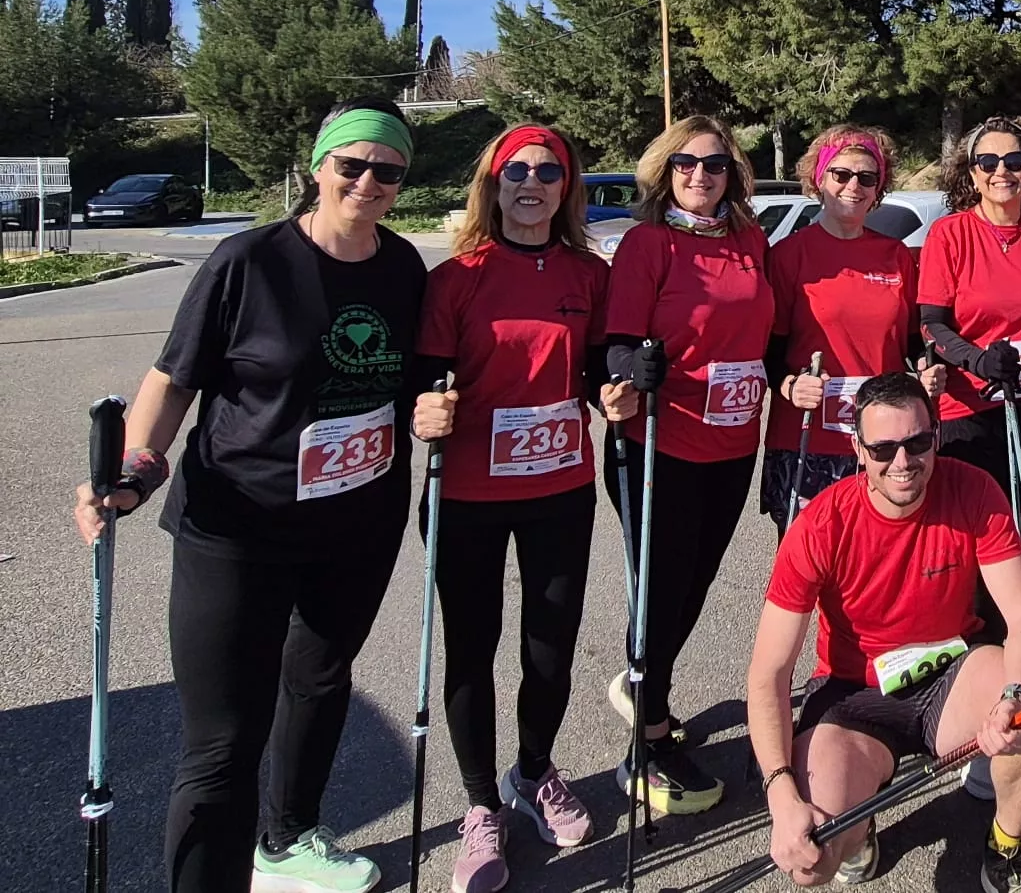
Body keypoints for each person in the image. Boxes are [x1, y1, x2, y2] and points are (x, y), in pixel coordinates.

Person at [72, 100, 427, 893]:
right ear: (319, 167)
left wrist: (430, 408)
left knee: (321, 683)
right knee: (224, 742)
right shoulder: (248, 261)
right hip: (238, 525)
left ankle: (288, 840)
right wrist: (136, 468)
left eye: (389, 171)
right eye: (353, 165)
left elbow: (404, 385)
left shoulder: (403, 268)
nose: (369, 182)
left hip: (357, 526)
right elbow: (172, 381)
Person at [412, 124, 629, 890]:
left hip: (558, 490)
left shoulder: (587, 273)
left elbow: (603, 362)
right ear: (493, 183)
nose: (531, 182)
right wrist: (423, 410)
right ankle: (479, 807)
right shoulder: (457, 277)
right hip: (467, 492)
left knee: (550, 647)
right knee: (473, 648)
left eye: (548, 171)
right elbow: (426, 376)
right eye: (516, 170)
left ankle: (533, 773)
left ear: (566, 187)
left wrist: (615, 386)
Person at [745, 373, 1021, 893]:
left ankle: (1005, 845)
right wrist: (780, 793)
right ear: (857, 448)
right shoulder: (820, 524)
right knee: (813, 864)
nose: (902, 462)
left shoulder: (974, 490)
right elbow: (768, 674)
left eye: (917, 442)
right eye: (883, 448)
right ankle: (861, 820)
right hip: (855, 697)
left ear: (936, 435)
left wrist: (1013, 695)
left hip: (952, 675)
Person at [601, 114, 775, 816]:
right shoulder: (648, 243)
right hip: (660, 443)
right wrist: (631, 368)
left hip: (732, 444)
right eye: (685, 165)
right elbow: (613, 346)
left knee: (696, 582)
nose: (700, 176)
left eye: (714, 165)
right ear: (663, 173)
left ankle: (649, 682)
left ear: (733, 174)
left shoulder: (752, 241)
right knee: (662, 587)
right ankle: (645, 741)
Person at [762, 125, 940, 533]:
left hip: (884, 443)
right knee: (810, 574)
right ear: (819, 179)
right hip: (808, 438)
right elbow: (768, 348)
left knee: (883, 568)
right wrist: (789, 384)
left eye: (867, 177)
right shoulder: (789, 255)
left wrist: (924, 369)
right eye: (841, 175)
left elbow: (911, 340)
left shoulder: (895, 256)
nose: (853, 186)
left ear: (879, 187)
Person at [918, 117, 1021, 521]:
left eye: (1014, 160)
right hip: (971, 406)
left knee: (1020, 533)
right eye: (988, 162)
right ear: (972, 173)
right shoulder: (949, 234)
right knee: (974, 536)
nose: (1001, 171)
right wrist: (977, 359)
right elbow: (932, 324)